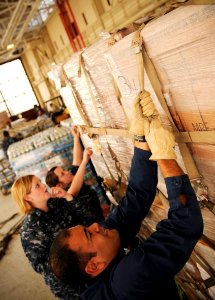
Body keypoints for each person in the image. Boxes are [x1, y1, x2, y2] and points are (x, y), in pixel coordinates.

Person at [49, 90, 203, 299]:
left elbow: (136, 197)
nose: (96, 226)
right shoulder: (127, 281)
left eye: (87, 227)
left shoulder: (103, 245)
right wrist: (164, 155)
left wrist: (141, 140)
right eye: (89, 234)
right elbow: (184, 224)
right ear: (94, 266)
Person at [11, 147, 104, 300]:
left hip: (90, 266)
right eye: (37, 186)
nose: (43, 185)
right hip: (71, 286)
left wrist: (68, 197)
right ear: (28, 198)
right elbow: (40, 266)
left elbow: (85, 218)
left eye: (40, 182)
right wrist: (72, 256)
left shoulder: (56, 203)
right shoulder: (31, 229)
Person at [45, 125, 108, 218]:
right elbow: (73, 189)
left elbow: (76, 160)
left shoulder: (71, 177)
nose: (67, 172)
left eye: (64, 170)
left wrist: (75, 137)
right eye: (62, 174)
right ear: (59, 185)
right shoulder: (67, 195)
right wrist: (85, 161)